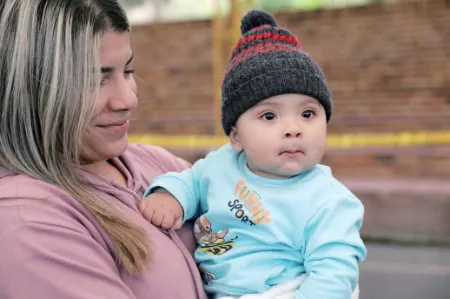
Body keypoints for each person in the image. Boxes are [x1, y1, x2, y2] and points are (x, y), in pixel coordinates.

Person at [140, 9, 367, 299]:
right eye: (270, 116)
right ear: (236, 136)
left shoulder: (329, 201)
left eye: (308, 113)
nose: (293, 129)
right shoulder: (220, 165)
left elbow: (334, 274)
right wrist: (168, 196)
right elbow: (190, 181)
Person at [0, 1, 206, 298]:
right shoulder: (26, 220)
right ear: (33, 89)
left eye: (129, 70)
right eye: (96, 80)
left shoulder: (152, 161)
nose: (128, 100)